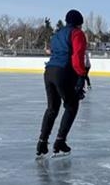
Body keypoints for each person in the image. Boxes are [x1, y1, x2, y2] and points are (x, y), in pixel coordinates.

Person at [37, 9, 87, 156]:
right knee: (71, 106)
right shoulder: (77, 33)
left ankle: (42, 142)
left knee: (52, 108)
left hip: (49, 71)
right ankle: (60, 141)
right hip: (63, 72)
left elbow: (54, 52)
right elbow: (77, 56)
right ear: (79, 23)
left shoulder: (57, 34)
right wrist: (81, 75)